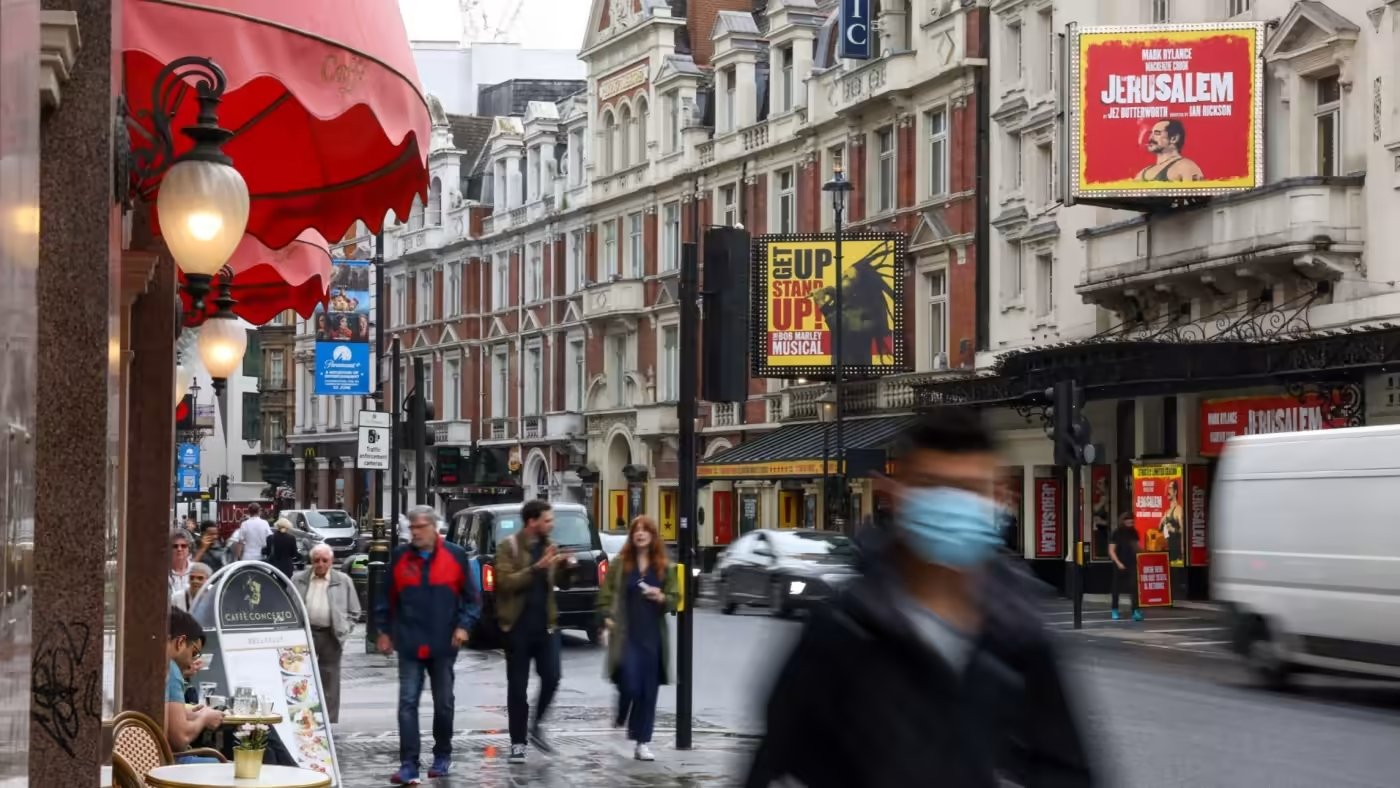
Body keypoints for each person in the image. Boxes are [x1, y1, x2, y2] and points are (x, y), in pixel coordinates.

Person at [745, 410, 1095, 788]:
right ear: (896, 495)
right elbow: (778, 770)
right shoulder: (841, 634)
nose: (953, 505)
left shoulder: (1023, 641)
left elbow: (1067, 770)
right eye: (932, 485)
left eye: (970, 489)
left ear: (1001, 499)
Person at [374, 506, 479, 784]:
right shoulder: (400, 557)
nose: (415, 532)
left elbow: (472, 599)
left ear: (434, 527)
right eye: (412, 527)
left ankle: (442, 755)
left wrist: (463, 626)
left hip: (443, 644)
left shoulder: (455, 556)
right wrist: (383, 631)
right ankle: (409, 763)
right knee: (407, 703)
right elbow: (386, 598)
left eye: (420, 527)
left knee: (443, 703)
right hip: (409, 642)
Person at [494, 499, 573, 765]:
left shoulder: (550, 546)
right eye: (547, 520)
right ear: (532, 521)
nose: (551, 524)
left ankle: (536, 725)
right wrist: (536, 567)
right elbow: (504, 583)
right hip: (516, 628)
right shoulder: (510, 546)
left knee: (552, 677)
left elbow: (561, 584)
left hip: (546, 626)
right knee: (517, 688)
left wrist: (566, 569)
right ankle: (518, 743)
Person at [596, 515, 677, 762]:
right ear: (632, 535)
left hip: (652, 636)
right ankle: (622, 712)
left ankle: (642, 742)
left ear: (653, 535)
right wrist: (608, 619)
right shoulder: (621, 564)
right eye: (636, 530)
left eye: (645, 530)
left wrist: (662, 597)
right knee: (630, 684)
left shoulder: (664, 566)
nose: (640, 534)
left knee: (648, 691)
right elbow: (605, 597)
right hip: (626, 634)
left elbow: (675, 598)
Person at [293, 544, 361, 724]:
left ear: (331, 561)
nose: (320, 564)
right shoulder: (298, 579)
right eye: (316, 560)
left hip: (331, 635)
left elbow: (355, 611)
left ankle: (328, 723)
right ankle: (302, 718)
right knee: (301, 677)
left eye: (325, 560)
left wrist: (345, 629)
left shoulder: (343, 580)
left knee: (329, 679)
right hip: (305, 634)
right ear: (311, 561)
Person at [165, 607, 224, 763]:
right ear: (180, 642)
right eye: (194, 653)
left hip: (140, 761)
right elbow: (180, 738)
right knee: (220, 765)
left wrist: (190, 714)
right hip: (164, 764)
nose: (193, 661)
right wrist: (204, 718)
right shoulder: (170, 669)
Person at [1135, 119, 1204, 182]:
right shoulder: (1142, 173)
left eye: (1157, 133)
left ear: (1173, 138)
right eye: (1151, 133)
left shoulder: (1186, 167)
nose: (1150, 137)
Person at [1109, 512, 1143, 622]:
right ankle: (1114, 609)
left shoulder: (1134, 532)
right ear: (1123, 521)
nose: (1130, 522)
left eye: (1132, 520)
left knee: (1134, 587)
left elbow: (1136, 546)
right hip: (1119, 563)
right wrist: (1118, 563)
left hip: (1132, 562)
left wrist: (1143, 551)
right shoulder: (1116, 533)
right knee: (1116, 588)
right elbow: (1111, 550)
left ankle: (1135, 610)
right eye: (1128, 520)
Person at [169, 529, 194, 596]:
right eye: (175, 546)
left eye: (183, 546)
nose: (179, 549)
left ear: (189, 548)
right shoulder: (162, 573)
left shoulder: (196, 570)